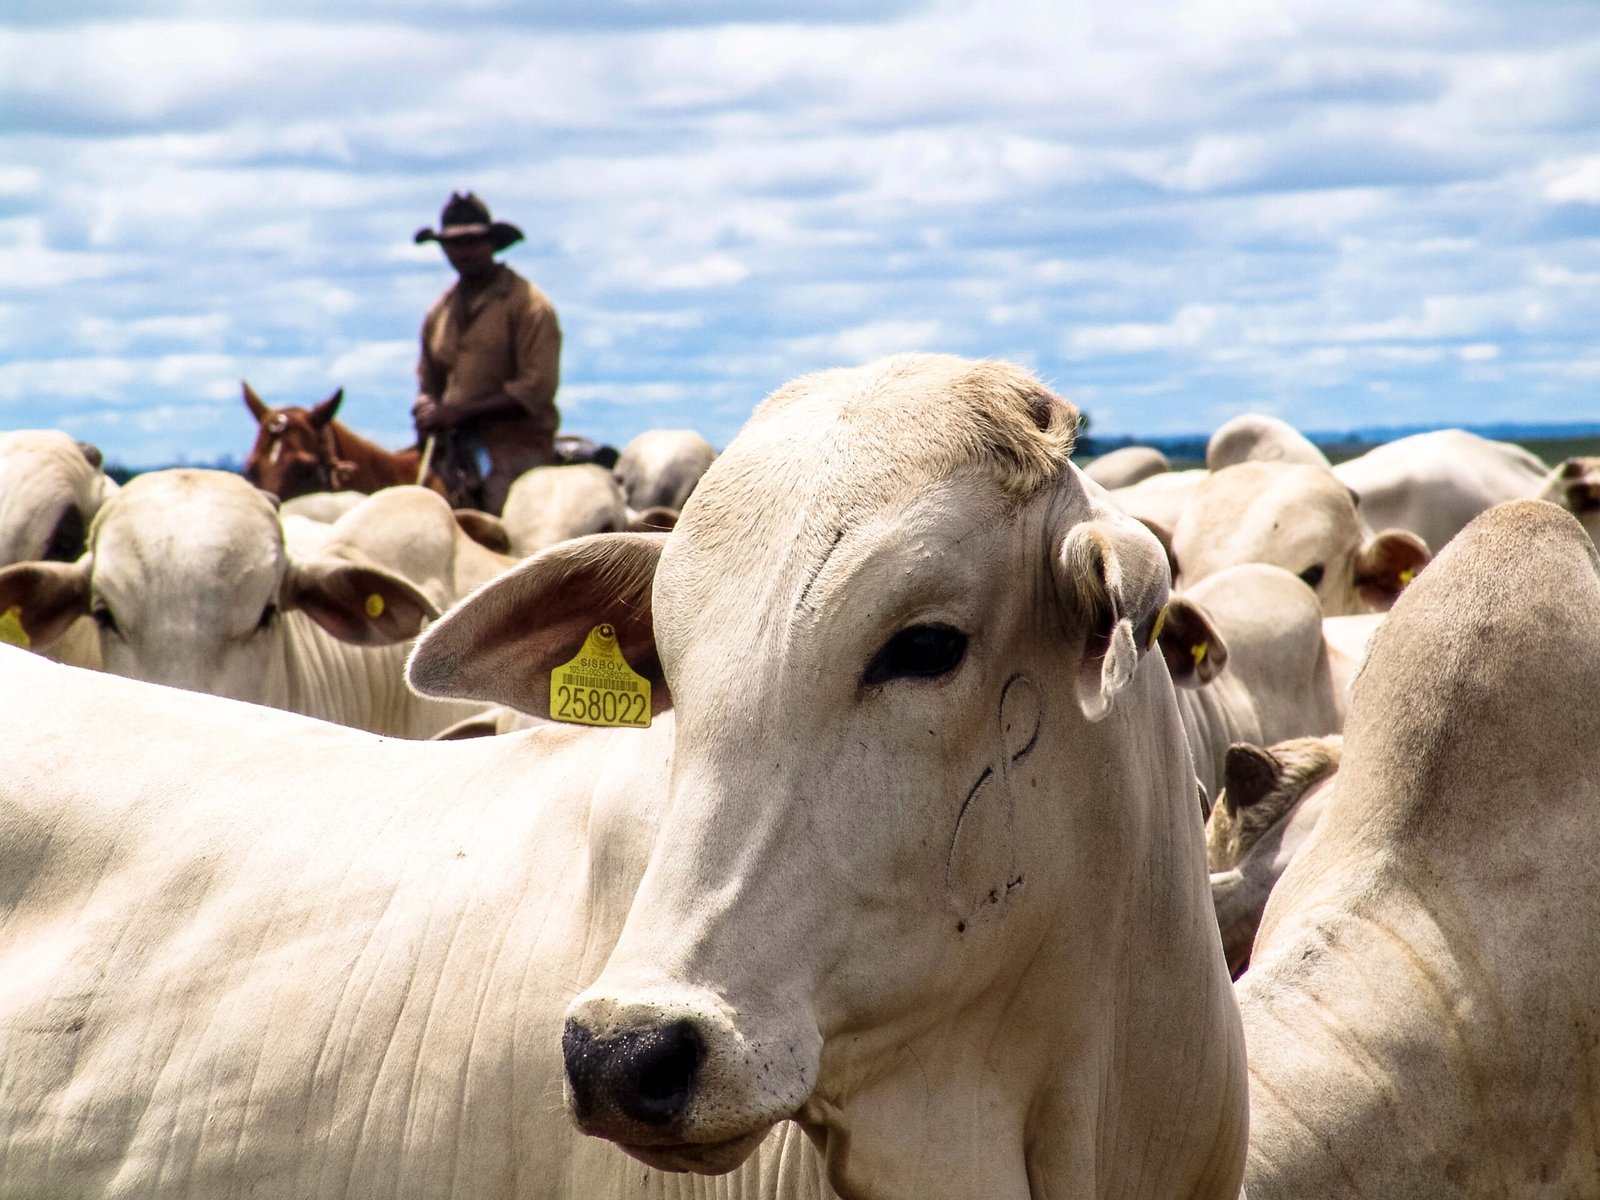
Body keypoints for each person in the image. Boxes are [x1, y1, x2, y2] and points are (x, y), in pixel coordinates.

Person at [412, 191, 562, 514]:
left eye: (472, 242)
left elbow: (536, 388)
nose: (463, 252)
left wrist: (460, 412)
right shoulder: (439, 312)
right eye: (453, 245)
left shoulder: (528, 304)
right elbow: (428, 382)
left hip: (516, 441)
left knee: (501, 503)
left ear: (491, 243)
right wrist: (425, 406)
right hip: (450, 445)